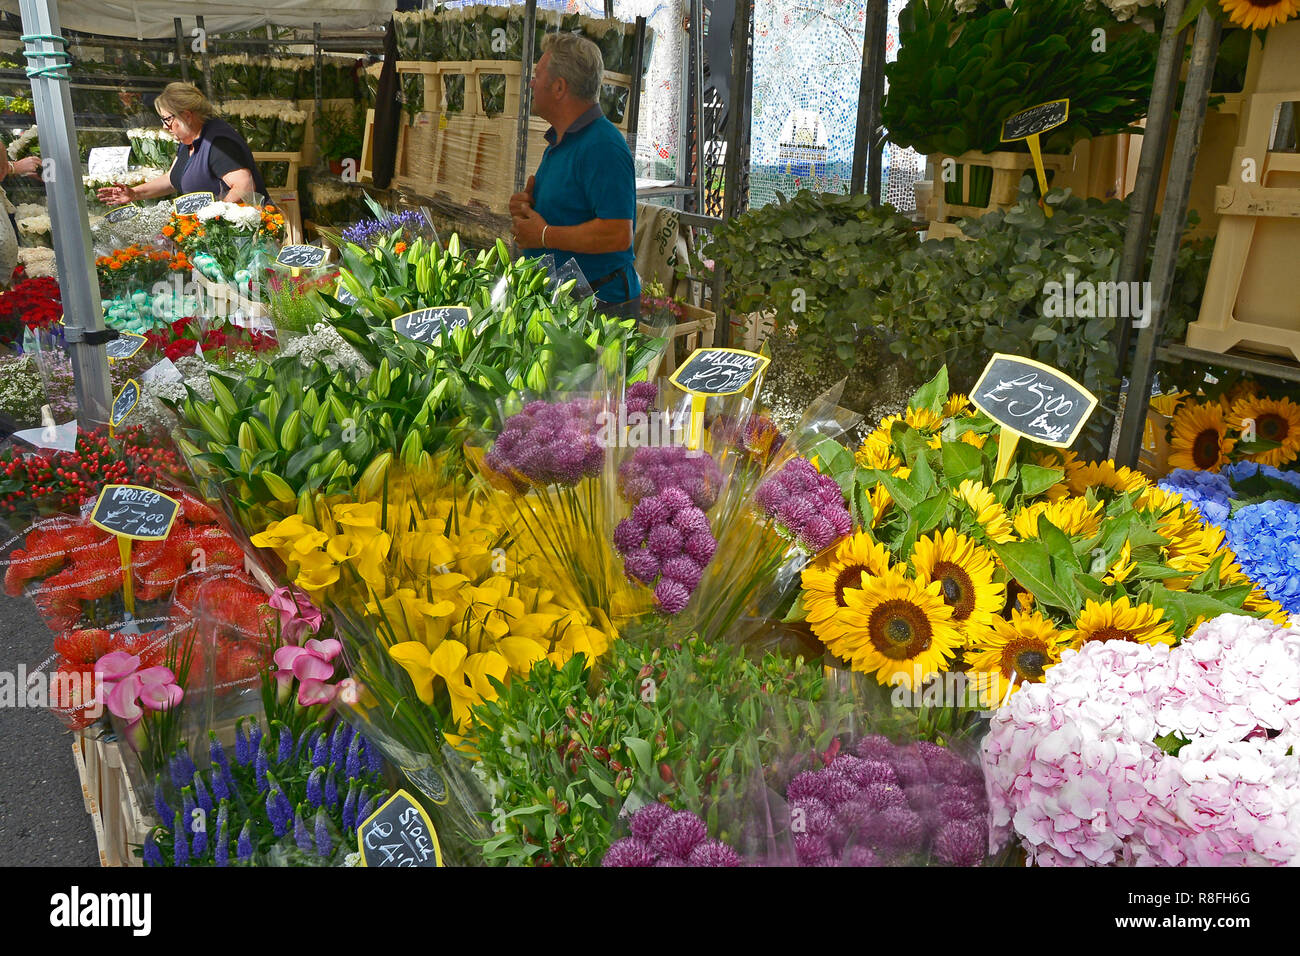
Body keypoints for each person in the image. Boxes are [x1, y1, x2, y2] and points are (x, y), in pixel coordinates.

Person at [510, 33, 641, 318]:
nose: (531, 83)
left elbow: (618, 234)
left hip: (599, 308)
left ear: (559, 87)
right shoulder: (563, 141)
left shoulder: (602, 146)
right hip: (567, 302)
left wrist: (544, 235)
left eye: (537, 75)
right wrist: (528, 207)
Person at [97, 83, 267, 207]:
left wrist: (215, 216)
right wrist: (134, 193)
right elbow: (172, 179)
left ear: (186, 116)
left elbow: (244, 186)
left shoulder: (217, 143)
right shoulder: (189, 140)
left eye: (168, 120)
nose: (165, 126)